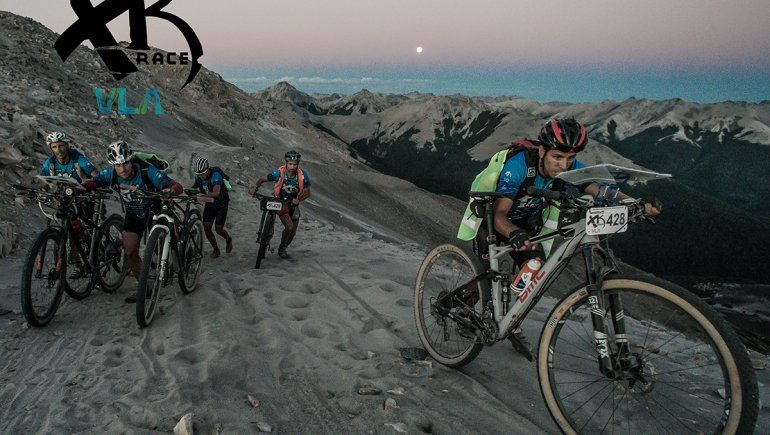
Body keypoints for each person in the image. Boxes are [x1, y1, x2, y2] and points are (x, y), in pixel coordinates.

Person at [491, 118, 660, 358]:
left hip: (527, 224)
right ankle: (461, 307)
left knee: (533, 270)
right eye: (557, 157)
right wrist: (512, 232)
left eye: (570, 159)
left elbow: (599, 189)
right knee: (486, 280)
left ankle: (511, 321)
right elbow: (499, 213)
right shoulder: (518, 166)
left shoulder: (568, 165)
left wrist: (633, 202)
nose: (564, 165)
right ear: (542, 150)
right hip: (498, 222)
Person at [83, 141, 183, 301]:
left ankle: (173, 264)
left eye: (126, 163)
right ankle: (146, 288)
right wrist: (79, 187)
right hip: (134, 213)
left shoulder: (146, 170)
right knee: (129, 252)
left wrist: (171, 189)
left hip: (154, 210)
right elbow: (96, 182)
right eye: (118, 165)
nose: (122, 169)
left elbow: (171, 183)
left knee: (159, 247)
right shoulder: (111, 173)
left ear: (131, 160)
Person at [248, 150, 311, 259]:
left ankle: (283, 247)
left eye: (295, 164)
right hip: (281, 203)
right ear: (286, 163)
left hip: (294, 204)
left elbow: (307, 192)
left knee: (292, 232)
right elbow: (263, 179)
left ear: (298, 164)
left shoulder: (302, 175)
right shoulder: (279, 173)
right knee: (289, 227)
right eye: (290, 164)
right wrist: (255, 187)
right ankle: (276, 244)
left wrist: (298, 199)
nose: (292, 166)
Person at [191, 157, 233, 258]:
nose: (201, 176)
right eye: (199, 174)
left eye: (202, 174)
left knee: (218, 230)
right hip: (209, 203)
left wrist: (199, 196)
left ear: (207, 170)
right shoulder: (199, 177)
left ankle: (228, 239)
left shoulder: (216, 175)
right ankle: (216, 249)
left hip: (221, 204)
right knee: (207, 228)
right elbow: (195, 186)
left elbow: (216, 193)